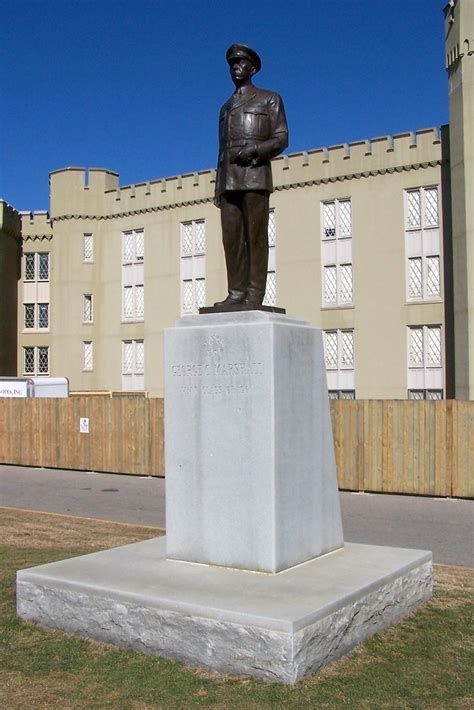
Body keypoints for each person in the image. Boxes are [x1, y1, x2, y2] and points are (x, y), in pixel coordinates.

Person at [214, 44, 288, 308]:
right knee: (231, 237)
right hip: (228, 180)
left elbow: (281, 138)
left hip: (255, 175)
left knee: (255, 236)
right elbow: (221, 150)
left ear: (252, 68)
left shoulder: (269, 99)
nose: (236, 68)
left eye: (241, 63)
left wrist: (256, 150)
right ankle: (236, 291)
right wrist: (218, 189)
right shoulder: (224, 108)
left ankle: (255, 292)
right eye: (232, 64)